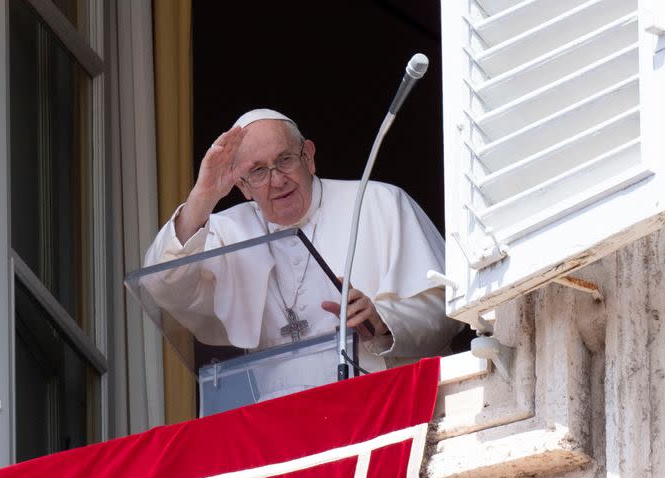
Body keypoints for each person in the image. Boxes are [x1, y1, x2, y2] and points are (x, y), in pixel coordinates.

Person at [143, 109, 461, 376]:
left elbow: (447, 309)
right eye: (258, 171)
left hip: (380, 404)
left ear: (308, 156)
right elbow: (162, 284)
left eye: (285, 160)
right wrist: (203, 196)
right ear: (242, 186)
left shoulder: (379, 202)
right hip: (279, 420)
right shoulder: (225, 231)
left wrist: (383, 321)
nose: (277, 180)